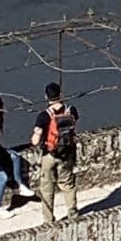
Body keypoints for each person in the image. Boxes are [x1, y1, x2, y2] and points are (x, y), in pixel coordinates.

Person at [30, 81, 80, 224]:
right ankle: (73, 214)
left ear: (46, 96)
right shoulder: (72, 111)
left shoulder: (43, 116)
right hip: (67, 153)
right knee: (68, 185)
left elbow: (35, 140)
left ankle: (48, 220)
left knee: (47, 188)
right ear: (61, 95)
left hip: (49, 154)